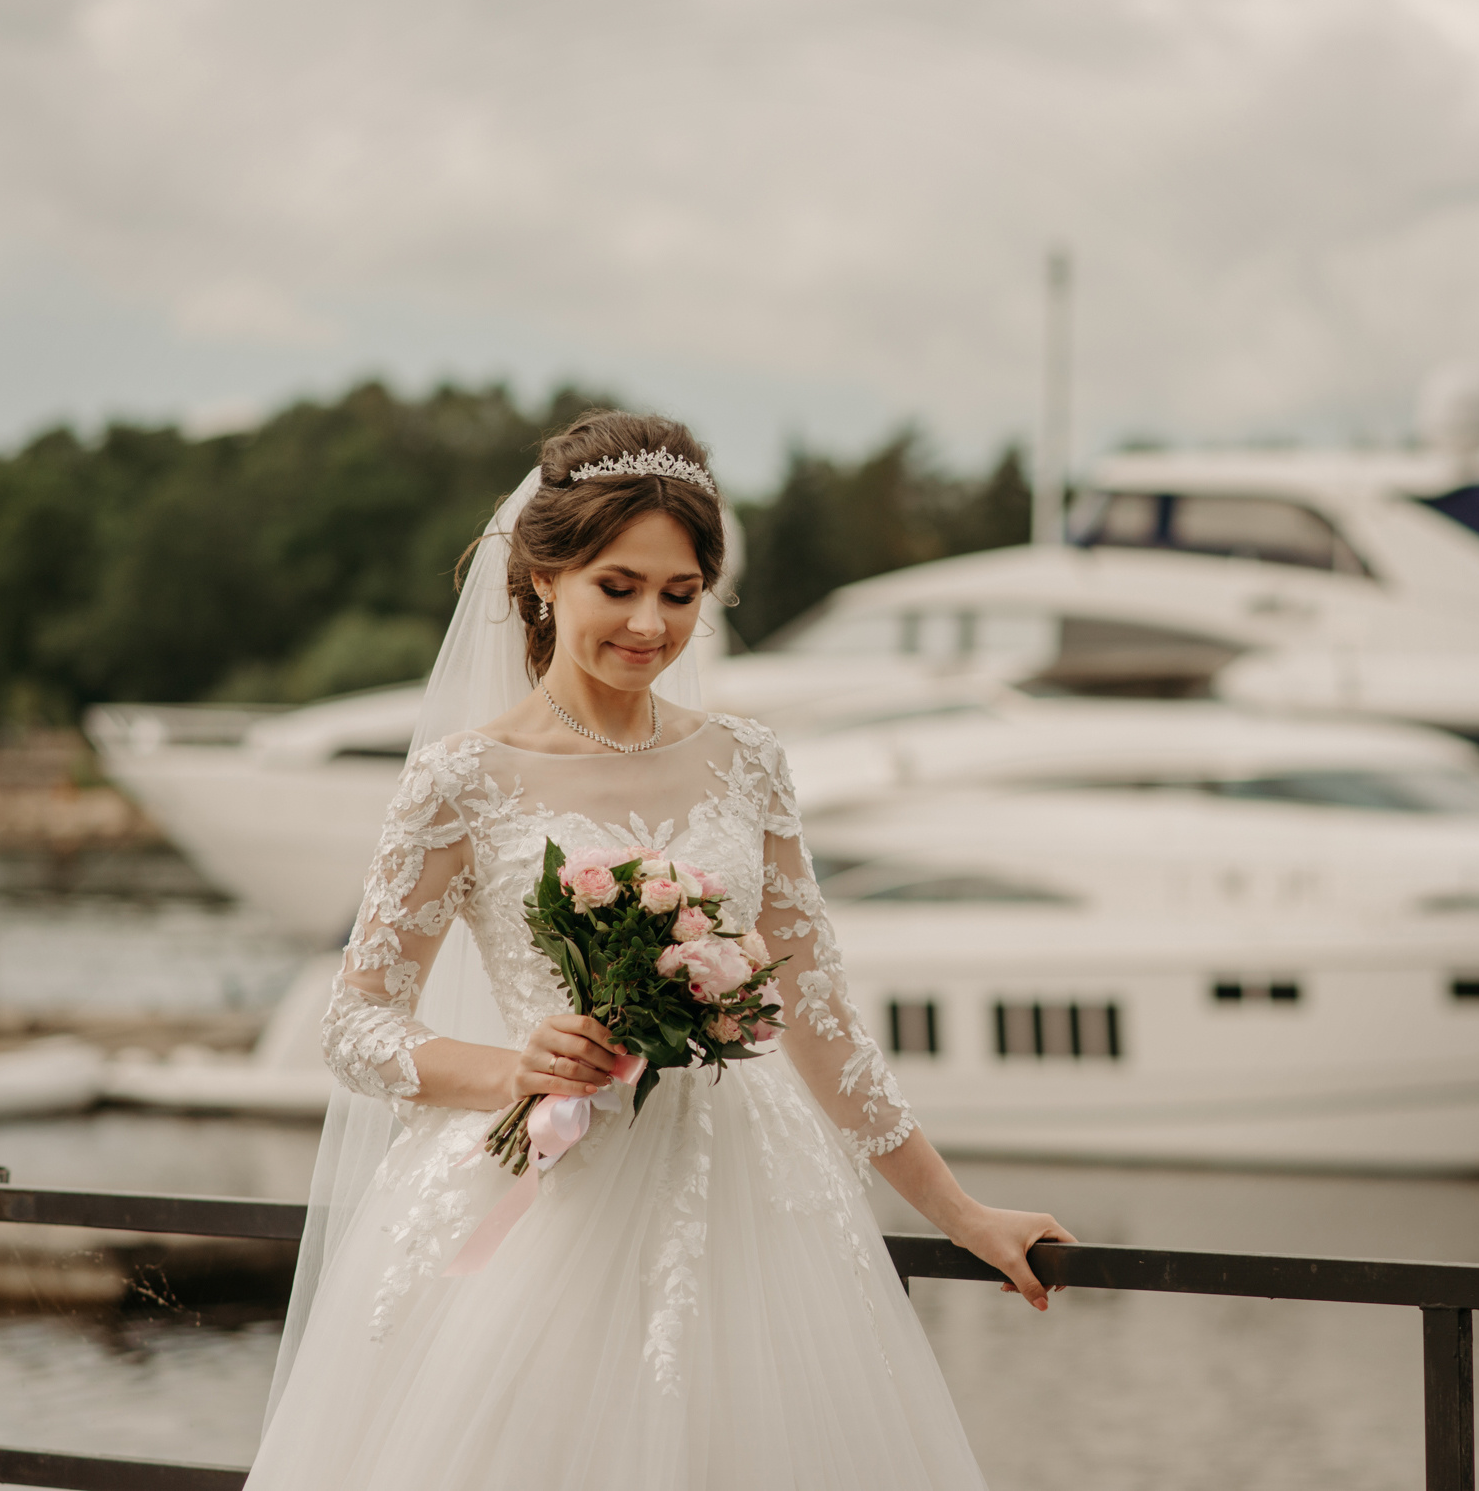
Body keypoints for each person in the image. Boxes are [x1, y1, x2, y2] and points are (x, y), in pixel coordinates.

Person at [248, 411, 1069, 1489]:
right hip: (552, 1200)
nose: (650, 625)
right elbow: (354, 1028)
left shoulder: (748, 762)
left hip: (748, 1201)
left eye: (681, 596)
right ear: (543, 578)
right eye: (618, 587)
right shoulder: (461, 781)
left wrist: (963, 1215)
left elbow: (820, 1024)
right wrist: (514, 1069)